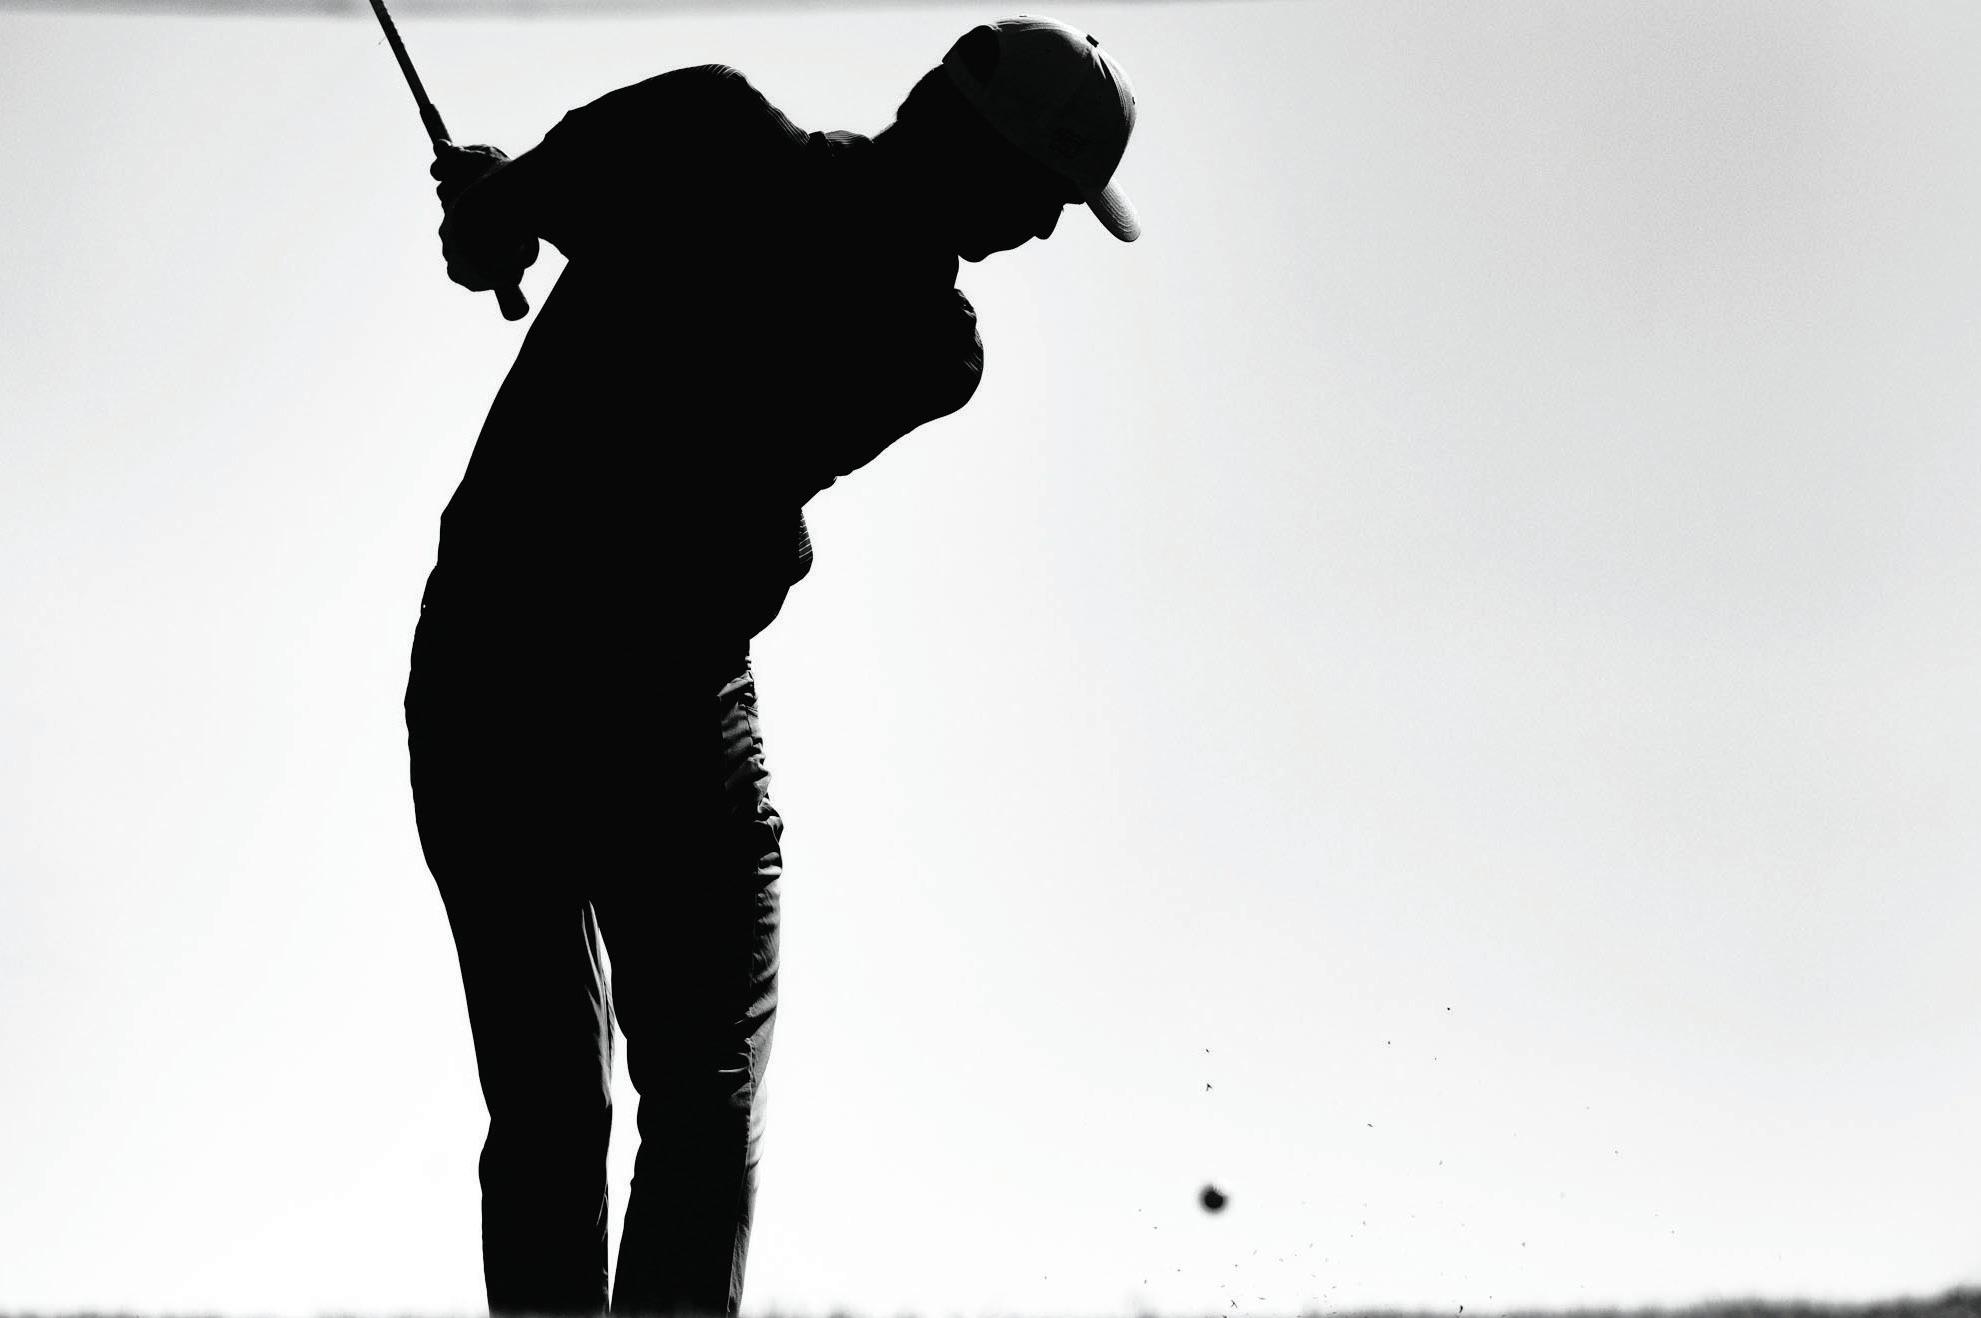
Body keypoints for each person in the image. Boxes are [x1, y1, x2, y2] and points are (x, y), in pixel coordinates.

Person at [403, 15, 1139, 1317]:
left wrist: (501, 205)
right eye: (1045, 194)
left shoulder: (702, 131)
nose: (1043, 230)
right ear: (986, 157)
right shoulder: (933, 346)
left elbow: (515, 235)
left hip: (496, 672)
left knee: (553, 1100)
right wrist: (520, 210)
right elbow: (640, 259)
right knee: (693, 1098)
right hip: (650, 698)